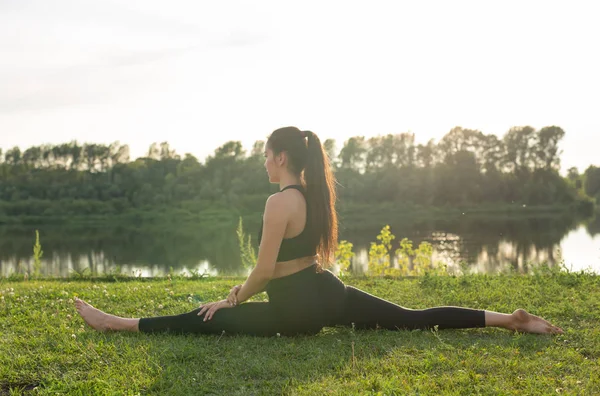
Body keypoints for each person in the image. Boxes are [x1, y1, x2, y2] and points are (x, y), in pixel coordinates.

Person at [74, 126, 564, 336]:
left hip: (295, 313)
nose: (263, 162)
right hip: (327, 294)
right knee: (412, 318)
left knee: (209, 320)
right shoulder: (312, 196)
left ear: (281, 157)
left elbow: (265, 271)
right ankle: (509, 319)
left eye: (266, 155)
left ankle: (118, 323)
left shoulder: (277, 202)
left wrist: (233, 299)